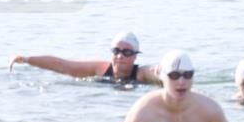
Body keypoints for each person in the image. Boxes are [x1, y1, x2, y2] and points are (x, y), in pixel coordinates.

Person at [122, 50, 231, 122]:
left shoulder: (211, 110)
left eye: (187, 75)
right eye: (174, 75)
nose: (181, 82)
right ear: (162, 77)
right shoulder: (142, 113)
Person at [9, 32, 159, 84]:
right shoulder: (101, 69)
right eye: (116, 51)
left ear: (135, 56)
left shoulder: (141, 73)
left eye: (126, 52)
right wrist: (27, 60)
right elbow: (62, 65)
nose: (120, 56)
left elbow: (157, 71)